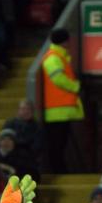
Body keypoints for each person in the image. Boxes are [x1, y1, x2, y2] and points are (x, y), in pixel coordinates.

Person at [41, 29, 83, 173]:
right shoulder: (54, 57)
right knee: (57, 145)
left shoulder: (58, 56)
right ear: (65, 41)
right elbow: (57, 78)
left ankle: (59, 169)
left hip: (59, 111)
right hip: (56, 110)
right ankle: (58, 170)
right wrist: (75, 86)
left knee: (60, 144)